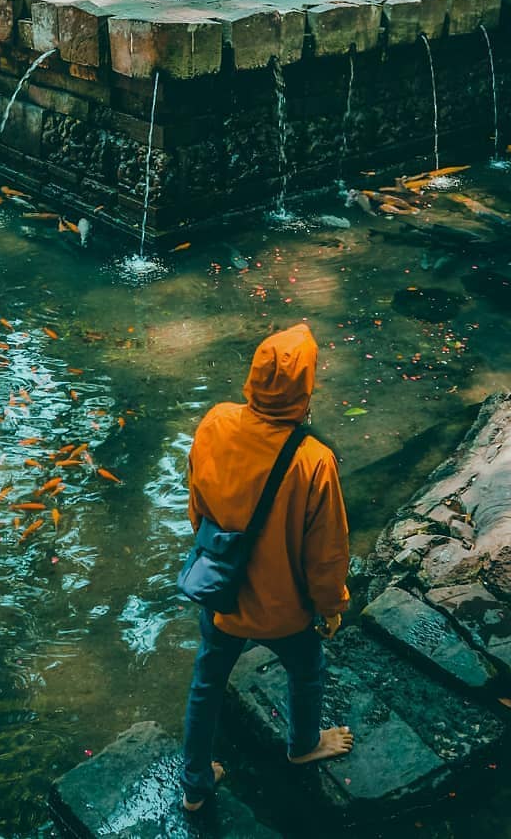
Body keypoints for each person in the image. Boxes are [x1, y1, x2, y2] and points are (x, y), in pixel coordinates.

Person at [180, 322, 353, 812]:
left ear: (253, 379)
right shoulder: (314, 460)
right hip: (285, 609)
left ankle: (194, 784)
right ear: (305, 389)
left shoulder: (214, 423)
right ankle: (303, 745)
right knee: (307, 669)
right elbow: (327, 553)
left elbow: (198, 508)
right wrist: (332, 605)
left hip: (222, 594)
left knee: (207, 682)